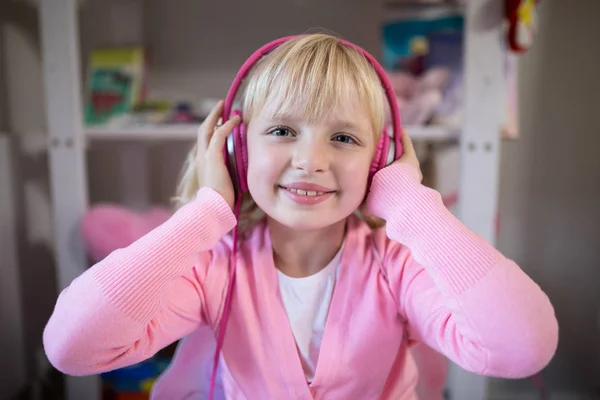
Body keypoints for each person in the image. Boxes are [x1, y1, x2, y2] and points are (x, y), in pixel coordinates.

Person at [43, 33, 558, 400]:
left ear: (380, 159)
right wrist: (204, 213)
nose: (311, 161)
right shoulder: (213, 267)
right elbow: (73, 347)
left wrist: (410, 203)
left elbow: (523, 348)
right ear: (236, 150)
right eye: (283, 131)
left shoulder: (396, 266)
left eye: (344, 138)